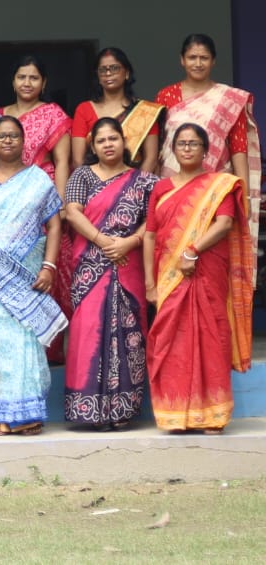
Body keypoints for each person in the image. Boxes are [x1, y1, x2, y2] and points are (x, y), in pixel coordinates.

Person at [143, 123, 254, 434]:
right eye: (182, 143)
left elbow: (224, 223)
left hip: (206, 272)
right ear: (173, 150)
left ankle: (212, 416)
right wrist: (150, 284)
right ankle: (175, 415)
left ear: (206, 150)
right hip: (169, 277)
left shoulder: (219, 185)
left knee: (211, 337)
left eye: (194, 144)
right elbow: (150, 235)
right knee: (169, 342)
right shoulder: (161, 188)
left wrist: (192, 251)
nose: (188, 148)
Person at [0, 116, 66, 436]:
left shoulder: (38, 180)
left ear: (23, 141)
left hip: (29, 276)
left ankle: (27, 414)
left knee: (26, 345)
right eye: (1, 136)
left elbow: (54, 226)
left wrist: (49, 267)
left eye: (13, 136)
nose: (7, 141)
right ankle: (1, 416)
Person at [61, 117, 157, 430]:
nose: (108, 145)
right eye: (101, 140)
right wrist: (103, 241)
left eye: (113, 138)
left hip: (129, 264)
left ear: (124, 141)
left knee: (129, 334)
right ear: (93, 145)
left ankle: (122, 410)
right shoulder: (81, 175)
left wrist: (129, 242)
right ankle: (89, 410)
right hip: (90, 264)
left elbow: (154, 220)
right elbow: (72, 213)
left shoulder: (145, 181)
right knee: (88, 330)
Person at [155, 34, 260, 251]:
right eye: (192, 57)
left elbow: (238, 148)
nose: (198, 63)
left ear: (213, 61)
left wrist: (245, 195)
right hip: (173, 183)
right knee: (173, 244)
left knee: (212, 248)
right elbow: (159, 145)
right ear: (182, 60)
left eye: (204, 58)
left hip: (215, 187)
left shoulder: (229, 99)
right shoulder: (166, 96)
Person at [70, 47, 163, 173]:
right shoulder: (84, 109)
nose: (108, 73)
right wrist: (96, 182)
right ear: (98, 76)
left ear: (127, 73)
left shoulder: (146, 112)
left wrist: (136, 183)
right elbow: (78, 160)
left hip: (135, 181)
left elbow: (151, 159)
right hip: (94, 183)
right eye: (103, 70)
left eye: (114, 68)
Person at [0, 56, 71, 198]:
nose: (27, 83)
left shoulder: (53, 114)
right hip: (5, 190)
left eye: (34, 78)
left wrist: (61, 201)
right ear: (13, 82)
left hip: (42, 190)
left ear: (43, 83)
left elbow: (62, 162)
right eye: (21, 77)